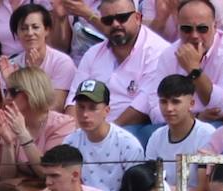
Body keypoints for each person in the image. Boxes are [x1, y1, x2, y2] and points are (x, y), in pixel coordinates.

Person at [69, 0, 169, 134]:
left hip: (134, 129)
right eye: (108, 20)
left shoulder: (158, 51)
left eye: (122, 18)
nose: (115, 24)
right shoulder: (92, 54)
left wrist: (106, 133)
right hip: (91, 131)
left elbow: (142, 107)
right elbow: (73, 101)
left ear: (138, 18)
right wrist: (74, 134)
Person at [0, 66, 77, 191]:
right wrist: (8, 144)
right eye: (6, 92)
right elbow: (6, 178)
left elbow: (49, 172)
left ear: (31, 93)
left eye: (13, 92)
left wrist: (23, 135)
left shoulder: (62, 124)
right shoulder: (14, 121)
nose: (7, 98)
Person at [63, 79, 144, 191]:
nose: (85, 114)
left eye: (92, 108)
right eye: (81, 107)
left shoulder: (128, 144)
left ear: (107, 111)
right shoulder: (70, 143)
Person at [144, 74, 216, 190]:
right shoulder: (156, 137)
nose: (169, 108)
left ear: (191, 104)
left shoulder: (206, 134)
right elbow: (149, 183)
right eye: (163, 102)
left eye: (175, 102)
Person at [2, 4, 76, 105]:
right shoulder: (10, 66)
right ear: (16, 33)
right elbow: (7, 107)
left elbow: (55, 108)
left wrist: (33, 75)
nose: (30, 32)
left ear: (47, 30)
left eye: (35, 27)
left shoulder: (62, 63)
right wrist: (10, 84)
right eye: (23, 28)